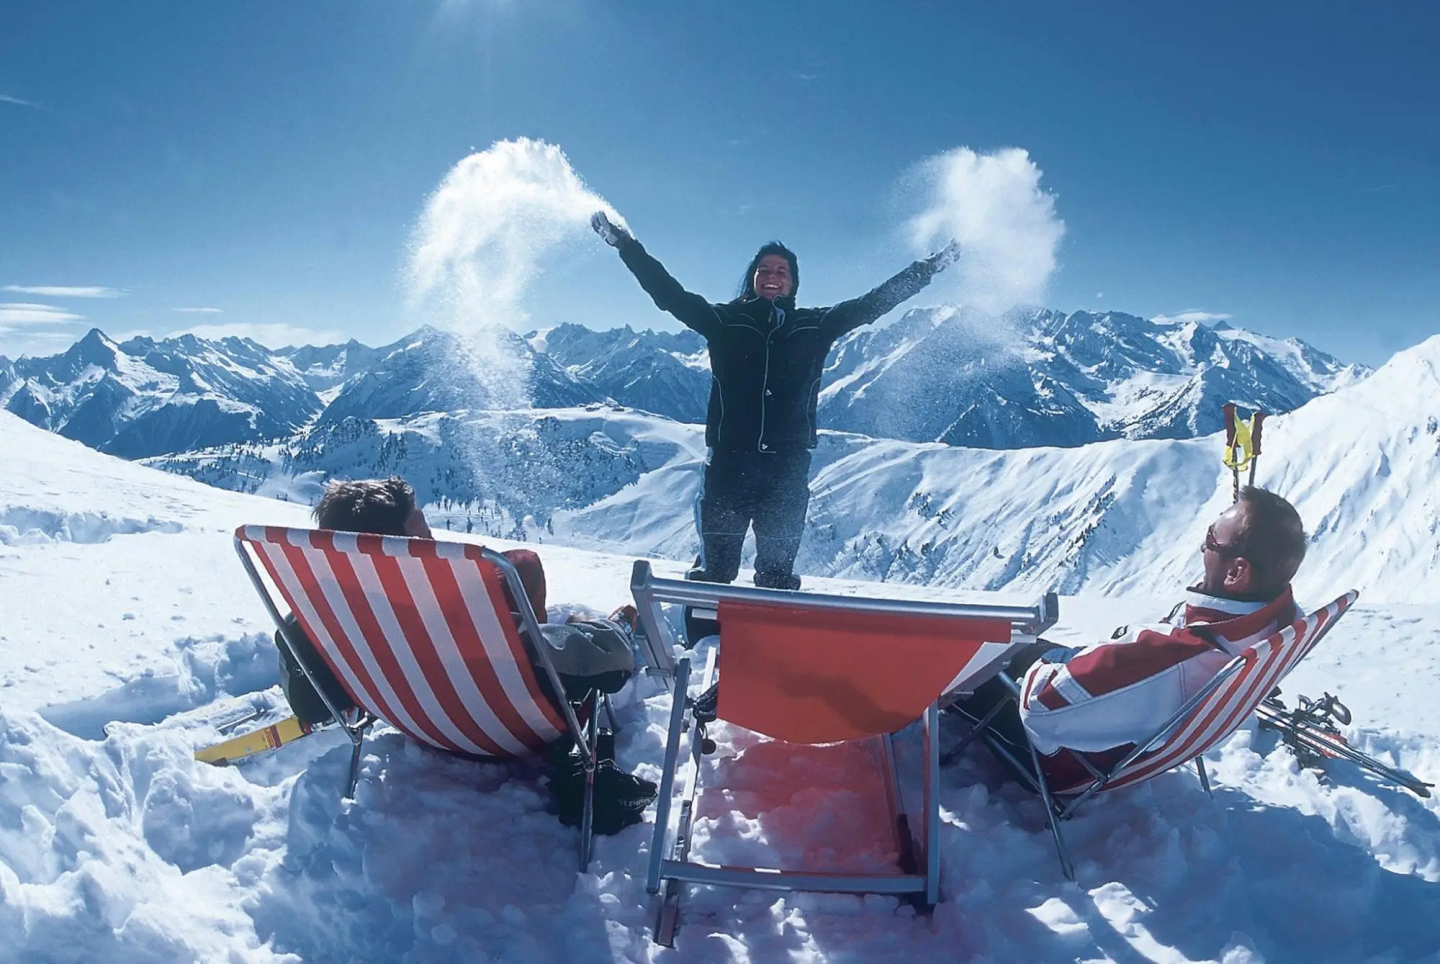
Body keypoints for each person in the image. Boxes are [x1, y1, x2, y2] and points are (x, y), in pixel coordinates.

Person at [592, 211, 961, 615]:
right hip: (729, 469)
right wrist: (626, 244)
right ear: (752, 277)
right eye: (764, 269)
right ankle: (697, 646)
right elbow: (669, 294)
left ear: (793, 282)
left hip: (785, 473)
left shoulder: (814, 326)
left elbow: (875, 302)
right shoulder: (723, 321)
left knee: (777, 576)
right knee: (714, 570)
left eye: (782, 271)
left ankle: (766, 653)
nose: (773, 276)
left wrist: (928, 268)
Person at [292, 477, 654, 832]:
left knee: (520, 565)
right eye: (423, 539)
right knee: (561, 613)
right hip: (512, 726)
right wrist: (604, 635)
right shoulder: (464, 616)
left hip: (416, 717)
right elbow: (610, 659)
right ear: (397, 554)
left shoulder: (334, 614)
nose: (432, 544)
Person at [956, 486, 1308, 793]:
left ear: (1236, 571)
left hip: (1060, 764)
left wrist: (1042, 663)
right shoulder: (1271, 624)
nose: (1204, 546)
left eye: (1212, 538)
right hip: (1129, 730)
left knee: (973, 659)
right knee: (1024, 647)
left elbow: (1041, 707)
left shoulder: (1175, 657)